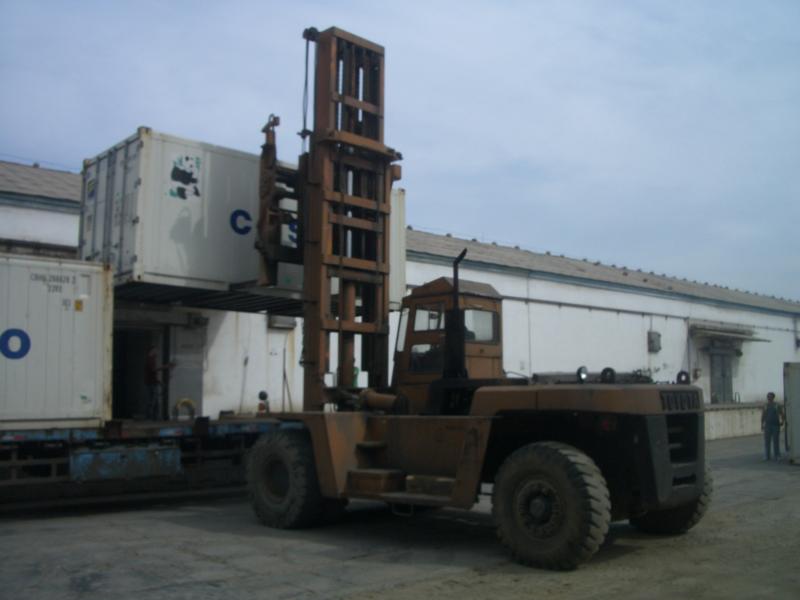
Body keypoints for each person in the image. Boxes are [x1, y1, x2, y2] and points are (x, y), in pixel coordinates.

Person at [144, 345, 175, 421]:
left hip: (153, 383)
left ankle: (155, 418)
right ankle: (149, 418)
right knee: (152, 402)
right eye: (155, 350)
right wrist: (166, 366)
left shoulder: (152, 359)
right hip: (150, 384)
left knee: (155, 402)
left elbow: (153, 374)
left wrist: (159, 382)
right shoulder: (149, 359)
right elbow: (153, 370)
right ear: (152, 351)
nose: (157, 352)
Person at [761, 392, 785, 461]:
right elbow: (763, 415)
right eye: (768, 397)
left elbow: (782, 414)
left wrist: (782, 421)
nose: (769, 398)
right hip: (767, 425)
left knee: (775, 441)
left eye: (770, 397)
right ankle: (767, 456)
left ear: (773, 397)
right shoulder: (765, 405)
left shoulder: (777, 405)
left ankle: (777, 455)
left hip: (775, 425)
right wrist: (762, 424)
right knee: (767, 441)